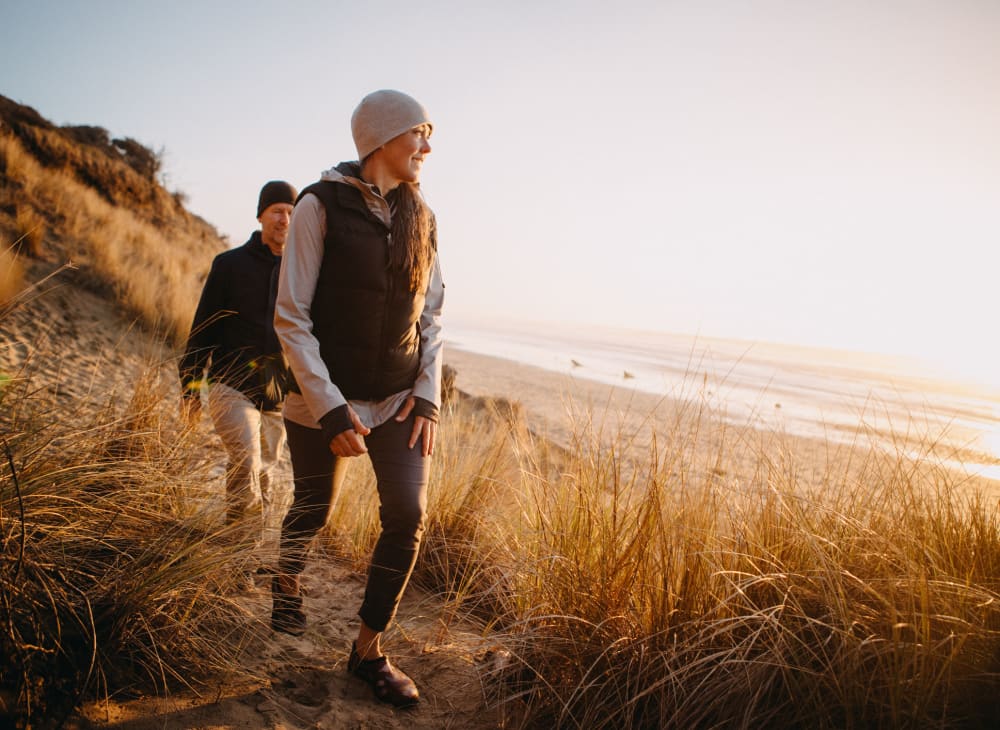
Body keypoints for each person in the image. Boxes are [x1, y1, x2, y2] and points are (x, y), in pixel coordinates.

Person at [272, 89, 443, 709]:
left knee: (408, 515)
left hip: (398, 399)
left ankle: (367, 651)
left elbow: (434, 315)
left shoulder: (423, 217)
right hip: (325, 397)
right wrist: (331, 407)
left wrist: (427, 397)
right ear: (380, 138)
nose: (428, 146)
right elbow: (291, 318)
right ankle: (286, 581)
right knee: (314, 508)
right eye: (419, 132)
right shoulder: (319, 206)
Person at [179, 180, 297, 572]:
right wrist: (190, 389)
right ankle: (242, 558)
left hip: (277, 395)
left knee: (264, 475)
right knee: (246, 460)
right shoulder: (229, 265)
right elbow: (203, 330)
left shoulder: (302, 271)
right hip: (230, 384)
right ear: (261, 214)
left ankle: (243, 547)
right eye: (278, 209)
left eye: (292, 212)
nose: (285, 218)